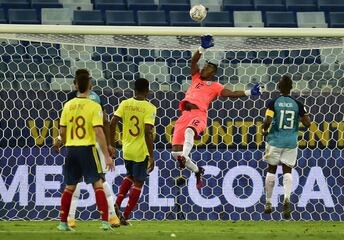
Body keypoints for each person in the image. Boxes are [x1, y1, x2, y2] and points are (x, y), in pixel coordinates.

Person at [172, 35, 262, 189]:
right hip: (184, 115)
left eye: (208, 67)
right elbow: (193, 61)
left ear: (212, 73)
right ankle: (197, 170)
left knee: (189, 132)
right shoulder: (196, 78)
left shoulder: (215, 86)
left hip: (198, 115)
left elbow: (231, 94)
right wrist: (202, 48)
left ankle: (185, 157)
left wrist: (249, 92)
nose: (204, 68)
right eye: (205, 65)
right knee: (175, 152)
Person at [54, 69, 120, 228]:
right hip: (88, 149)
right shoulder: (94, 104)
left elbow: (62, 131)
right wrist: (107, 155)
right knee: (98, 184)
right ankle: (106, 222)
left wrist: (59, 141)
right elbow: (99, 130)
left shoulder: (68, 105)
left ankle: (63, 223)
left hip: (71, 150)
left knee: (70, 186)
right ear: (90, 84)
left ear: (76, 85)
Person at [262, 75, 311, 219]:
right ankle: (287, 200)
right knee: (287, 170)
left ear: (278, 88)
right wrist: (300, 117)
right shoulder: (298, 104)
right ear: (291, 88)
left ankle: (268, 203)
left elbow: (268, 120)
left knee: (271, 169)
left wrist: (264, 130)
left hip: (275, 140)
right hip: (290, 142)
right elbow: (308, 123)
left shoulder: (273, 102)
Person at [110, 78, 156, 225]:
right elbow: (148, 131)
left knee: (129, 176)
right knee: (139, 182)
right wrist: (152, 156)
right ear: (147, 91)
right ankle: (126, 216)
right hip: (140, 151)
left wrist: (112, 144)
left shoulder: (125, 103)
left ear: (134, 89)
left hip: (127, 149)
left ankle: (116, 204)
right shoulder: (150, 108)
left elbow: (112, 123)